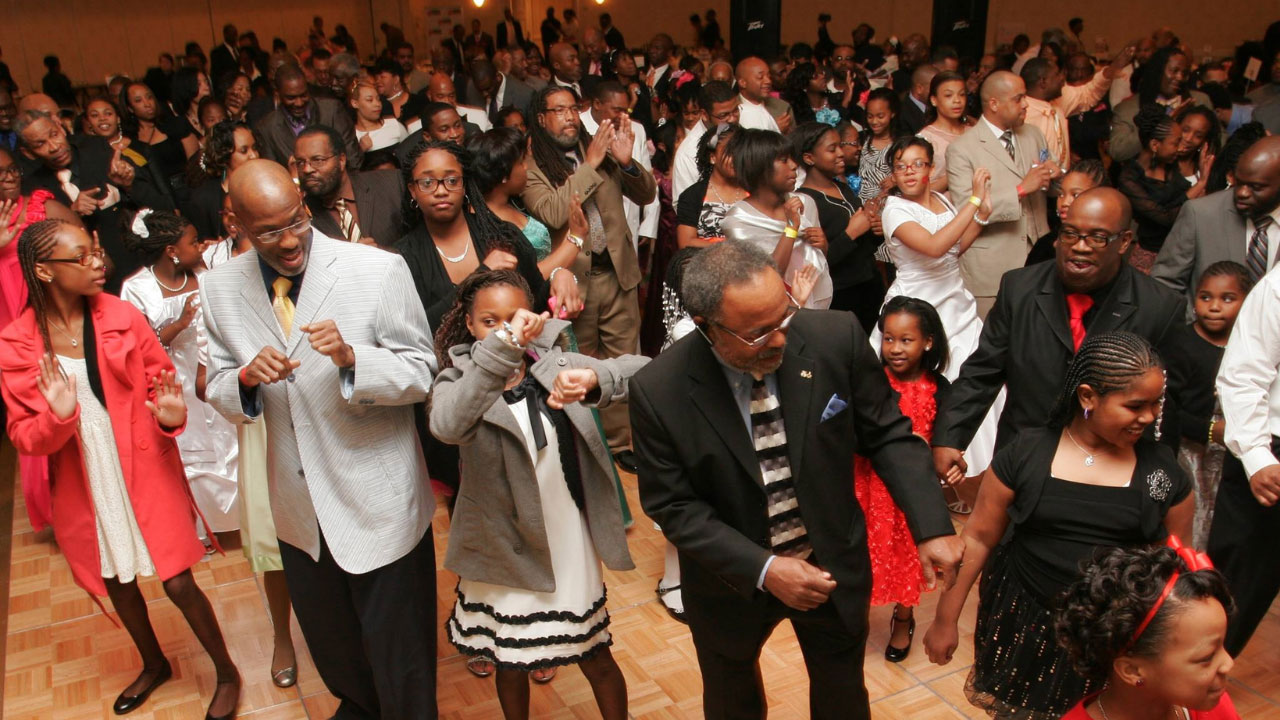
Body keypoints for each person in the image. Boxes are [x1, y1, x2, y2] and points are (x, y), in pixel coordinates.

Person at [630, 240, 963, 720]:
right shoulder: (659, 389)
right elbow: (673, 506)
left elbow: (888, 434)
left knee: (842, 696)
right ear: (706, 326)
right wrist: (765, 569)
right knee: (732, 702)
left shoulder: (834, 337)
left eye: (784, 316)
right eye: (758, 334)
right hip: (732, 581)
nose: (782, 338)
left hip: (830, 562)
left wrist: (931, 526)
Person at [201, 159, 437, 718]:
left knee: (399, 655)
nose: (289, 242)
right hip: (297, 507)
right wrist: (244, 380)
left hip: (378, 498)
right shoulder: (218, 288)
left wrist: (355, 358)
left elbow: (423, 371)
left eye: (296, 221)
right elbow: (214, 385)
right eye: (269, 232)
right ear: (235, 221)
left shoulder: (377, 270)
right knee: (335, 648)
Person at [0, 219, 241, 719]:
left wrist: (173, 419)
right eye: (81, 257)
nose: (97, 263)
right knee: (117, 579)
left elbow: (162, 384)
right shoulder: (16, 344)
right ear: (44, 271)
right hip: (84, 478)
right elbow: (25, 437)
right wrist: (59, 414)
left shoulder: (122, 316)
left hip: (143, 464)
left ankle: (226, 672)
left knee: (177, 580)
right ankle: (154, 664)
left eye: (95, 252)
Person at [925, 330, 1193, 719]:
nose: (1149, 417)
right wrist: (945, 620)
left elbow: (1174, 571)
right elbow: (980, 537)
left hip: (1110, 638)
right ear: (1088, 397)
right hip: (1026, 624)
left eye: (1155, 405)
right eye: (1135, 406)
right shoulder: (1027, 454)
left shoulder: (1163, 473)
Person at [431, 269, 645, 718]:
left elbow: (640, 372)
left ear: (534, 316)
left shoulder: (556, 364)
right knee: (511, 661)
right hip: (503, 544)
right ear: (469, 325)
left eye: (515, 318)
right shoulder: (458, 381)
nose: (506, 329)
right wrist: (502, 348)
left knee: (595, 653)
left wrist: (592, 382)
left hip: (566, 536)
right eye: (491, 321)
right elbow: (447, 425)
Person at [931, 188, 1187, 478]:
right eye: (1070, 234)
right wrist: (949, 438)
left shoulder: (1160, 307)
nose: (1080, 246)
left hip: (1112, 468)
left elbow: (1167, 406)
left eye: (1097, 237)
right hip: (1024, 459)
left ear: (1124, 241)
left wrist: (1156, 475)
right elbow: (982, 372)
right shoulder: (1020, 289)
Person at [522, 86, 656, 473]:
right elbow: (551, 210)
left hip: (617, 272)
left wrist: (627, 163)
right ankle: (584, 442)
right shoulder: (533, 165)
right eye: (557, 110)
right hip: (574, 281)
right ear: (542, 117)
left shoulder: (600, 149)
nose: (567, 117)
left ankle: (618, 444)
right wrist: (591, 164)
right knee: (581, 360)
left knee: (621, 359)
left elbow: (646, 194)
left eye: (571, 109)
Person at [872, 135, 1002, 481]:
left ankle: (976, 469)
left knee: (972, 378)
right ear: (894, 175)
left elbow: (952, 250)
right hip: (918, 306)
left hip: (956, 299)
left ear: (931, 168)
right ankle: (929, 471)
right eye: (901, 166)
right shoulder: (894, 209)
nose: (909, 172)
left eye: (917, 164)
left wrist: (981, 215)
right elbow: (932, 247)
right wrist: (972, 202)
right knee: (922, 385)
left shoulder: (943, 200)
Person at [119, 208, 240, 538]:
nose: (199, 246)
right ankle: (201, 530)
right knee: (191, 453)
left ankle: (242, 524)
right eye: (192, 242)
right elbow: (138, 347)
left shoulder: (206, 274)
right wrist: (181, 323)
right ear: (171, 251)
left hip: (212, 373)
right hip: (174, 383)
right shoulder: (136, 288)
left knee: (230, 445)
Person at [858, 297, 956, 661]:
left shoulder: (940, 387)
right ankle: (855, 616)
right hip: (868, 483)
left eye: (906, 340)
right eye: (888, 339)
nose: (895, 349)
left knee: (905, 556)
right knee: (865, 553)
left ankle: (903, 618)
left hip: (910, 494)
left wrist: (948, 462)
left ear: (928, 342)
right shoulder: (870, 380)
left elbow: (946, 439)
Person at [1056, 543, 1241, 720]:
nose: (1228, 663)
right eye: (1207, 658)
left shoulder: (1213, 704)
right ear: (1132, 670)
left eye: (1222, 646)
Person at [0, 145, 77, 532]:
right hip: (10, 329)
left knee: (68, 401)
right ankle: (53, 508)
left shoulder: (41, 206)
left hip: (48, 320)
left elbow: (79, 243)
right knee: (35, 409)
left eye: (12, 169)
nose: (10, 177)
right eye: (1, 174)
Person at [16, 109, 173, 294]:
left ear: (60, 126)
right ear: (27, 152)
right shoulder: (33, 189)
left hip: (142, 265)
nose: (53, 146)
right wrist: (71, 213)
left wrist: (130, 185)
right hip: (95, 284)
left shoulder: (98, 150)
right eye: (40, 144)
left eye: (54, 135)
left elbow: (163, 207)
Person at [945, 70, 1056, 317]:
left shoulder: (1034, 135)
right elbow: (967, 209)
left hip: (1040, 258)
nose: (1026, 103)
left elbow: (1049, 187)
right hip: (992, 267)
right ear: (994, 104)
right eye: (1019, 98)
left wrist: (1056, 177)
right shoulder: (962, 149)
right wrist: (1019, 190)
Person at [1162, 262, 1251, 549]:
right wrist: (1210, 430)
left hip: (1235, 452)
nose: (1214, 307)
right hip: (1190, 452)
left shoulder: (1250, 347)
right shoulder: (1181, 344)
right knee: (1194, 516)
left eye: (1227, 299)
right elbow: (1168, 408)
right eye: (1205, 297)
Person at [1151, 136, 1280, 303]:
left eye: (1256, 187)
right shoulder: (1201, 214)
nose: (1242, 193)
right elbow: (1164, 283)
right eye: (1239, 183)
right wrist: (1191, 326)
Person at [720, 128, 832, 309]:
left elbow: (816, 263)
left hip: (811, 307)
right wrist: (791, 227)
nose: (794, 165)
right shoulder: (738, 219)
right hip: (769, 311)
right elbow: (769, 275)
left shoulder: (805, 203)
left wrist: (823, 245)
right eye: (783, 160)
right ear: (760, 167)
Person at [791, 122, 883, 328]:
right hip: (842, 295)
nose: (841, 153)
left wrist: (876, 230)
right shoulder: (805, 201)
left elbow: (864, 245)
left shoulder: (842, 187)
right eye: (832, 149)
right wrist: (851, 232)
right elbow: (818, 263)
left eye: (840, 146)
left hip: (869, 285)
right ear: (809, 158)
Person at [1118, 105, 1211, 272]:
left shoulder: (1169, 165)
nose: (1181, 148)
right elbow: (1165, 217)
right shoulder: (1129, 178)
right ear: (1155, 145)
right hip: (1151, 257)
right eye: (1176, 143)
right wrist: (1201, 183)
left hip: (1182, 249)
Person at [1019, 45, 1134, 170]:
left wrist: (1113, 68)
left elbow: (1089, 92)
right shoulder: (1022, 115)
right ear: (1043, 82)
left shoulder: (1059, 100)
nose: (1063, 77)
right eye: (1057, 74)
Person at [580, 81, 659, 251]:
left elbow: (647, 177)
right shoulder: (578, 128)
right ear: (597, 104)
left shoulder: (636, 130)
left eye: (626, 110)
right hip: (590, 229)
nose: (623, 116)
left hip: (627, 222)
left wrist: (648, 224)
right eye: (617, 110)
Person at [295, 125, 404, 248]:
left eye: (318, 160)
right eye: (300, 162)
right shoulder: (301, 217)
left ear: (341, 160)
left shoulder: (392, 183)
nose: (306, 169)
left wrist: (382, 257)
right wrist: (350, 258)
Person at [1110, 48, 1213, 163]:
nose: (1179, 77)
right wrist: (1161, 123)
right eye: (1174, 71)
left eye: (1184, 73)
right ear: (1158, 71)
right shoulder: (1128, 108)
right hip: (1145, 175)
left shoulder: (1199, 100)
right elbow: (1117, 151)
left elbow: (1219, 138)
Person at [254, 65, 362, 170]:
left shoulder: (332, 111)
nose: (299, 103)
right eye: (291, 98)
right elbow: (273, 174)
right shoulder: (267, 129)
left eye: (303, 95)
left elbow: (352, 158)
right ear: (278, 94)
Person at [181, 119, 259, 243]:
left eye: (254, 148)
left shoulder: (266, 187)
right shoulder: (204, 199)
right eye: (244, 151)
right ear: (224, 156)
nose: (254, 156)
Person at [1025, 159, 1108, 266]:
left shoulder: (1106, 245)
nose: (1064, 202)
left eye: (1075, 195)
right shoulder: (1045, 246)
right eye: (1061, 194)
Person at [673, 81, 740, 210]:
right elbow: (683, 206)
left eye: (735, 110)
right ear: (704, 115)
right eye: (723, 115)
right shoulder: (688, 153)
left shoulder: (741, 131)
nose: (732, 119)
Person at [119, 80, 198, 187]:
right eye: (138, 100)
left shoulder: (177, 124)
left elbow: (195, 164)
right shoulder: (130, 140)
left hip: (187, 188)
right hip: (157, 196)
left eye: (149, 97)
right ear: (130, 108)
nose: (147, 104)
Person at [677, 122, 742, 248]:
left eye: (740, 151)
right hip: (706, 264)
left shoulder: (754, 191)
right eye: (729, 152)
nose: (736, 157)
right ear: (712, 157)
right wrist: (727, 247)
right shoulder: (693, 195)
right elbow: (686, 242)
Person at [918, 71, 971, 194]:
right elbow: (920, 190)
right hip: (943, 207)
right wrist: (954, 172)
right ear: (934, 100)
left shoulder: (974, 132)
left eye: (962, 95)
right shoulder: (925, 139)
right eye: (948, 95)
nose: (957, 100)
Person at [350, 80, 408, 154]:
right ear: (355, 103)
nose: (377, 104)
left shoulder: (394, 125)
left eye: (378, 99)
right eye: (369, 100)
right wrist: (360, 150)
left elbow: (411, 155)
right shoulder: (351, 136)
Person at [373, 58, 426, 132]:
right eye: (376, 78)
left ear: (396, 79)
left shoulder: (418, 102)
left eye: (382, 77)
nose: (377, 81)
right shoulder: (377, 106)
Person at [1174, 104, 1221, 185]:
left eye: (1198, 136)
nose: (1188, 139)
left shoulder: (1204, 171)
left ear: (1204, 141)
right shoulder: (1159, 161)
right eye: (1185, 130)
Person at [735, 57, 780, 132]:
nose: (768, 81)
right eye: (760, 77)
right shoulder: (732, 110)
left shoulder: (782, 108)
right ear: (743, 83)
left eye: (769, 76)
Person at [900, 65, 939, 135]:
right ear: (919, 89)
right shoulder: (902, 114)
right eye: (935, 87)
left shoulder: (938, 107)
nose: (939, 91)